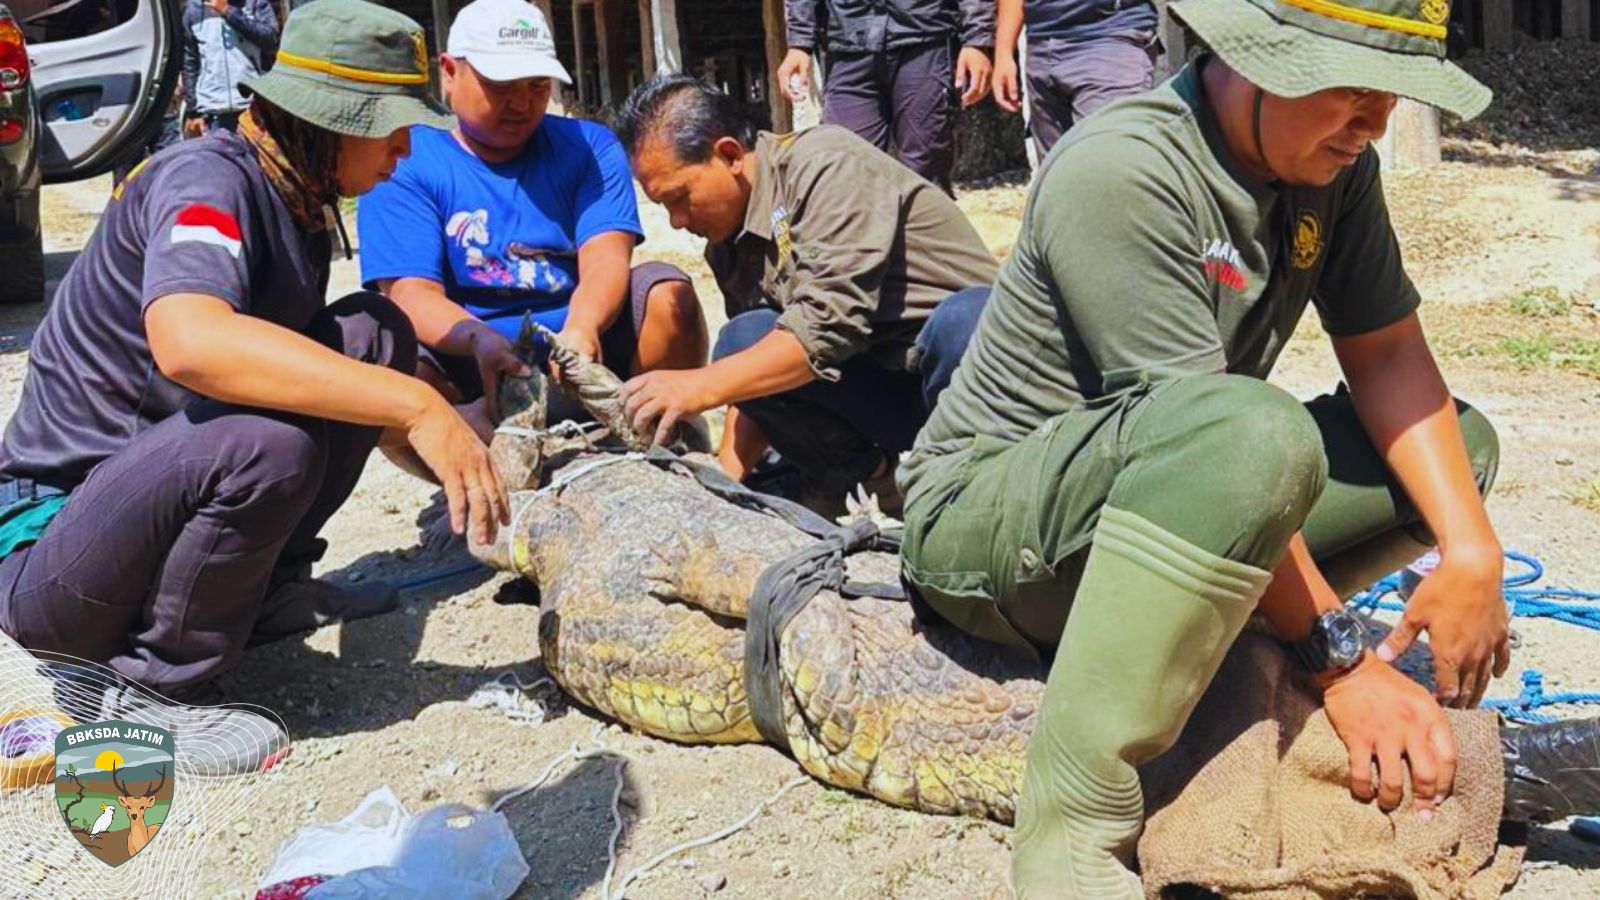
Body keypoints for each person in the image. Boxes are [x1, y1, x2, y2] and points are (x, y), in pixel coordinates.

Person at [896, 0, 1507, 893]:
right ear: (1258, 60)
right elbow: (1218, 439)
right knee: (1253, 431)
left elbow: (1385, 353)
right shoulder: (1124, 169)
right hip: (987, 527)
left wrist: (1473, 550)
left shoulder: (1333, 167)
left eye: (1394, 97)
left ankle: (1218, 614)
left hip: (1176, 477)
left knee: (1459, 450)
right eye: (1354, 91)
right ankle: (1071, 822)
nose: (1374, 124)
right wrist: (1338, 663)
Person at [0, 0, 505, 775]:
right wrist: (415, 403)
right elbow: (192, 343)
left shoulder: (295, 196)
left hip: (144, 511)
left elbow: (345, 378)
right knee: (267, 444)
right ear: (330, 119)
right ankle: (151, 694)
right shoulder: (206, 178)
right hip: (55, 559)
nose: (403, 149)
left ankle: (262, 592)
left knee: (372, 332)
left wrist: (465, 445)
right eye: (389, 125)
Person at [613, 75, 998, 514]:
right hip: (891, 394)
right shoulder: (729, 248)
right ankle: (870, 483)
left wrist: (698, 386)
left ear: (729, 155)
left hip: (968, 379)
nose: (676, 220)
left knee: (968, 320)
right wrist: (721, 489)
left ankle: (981, 491)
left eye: (679, 197)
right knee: (742, 339)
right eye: (663, 206)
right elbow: (755, 376)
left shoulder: (825, 164)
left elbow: (825, 327)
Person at [358, 0, 707, 455]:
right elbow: (412, 292)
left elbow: (605, 256)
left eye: (537, 85)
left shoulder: (589, 146)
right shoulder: (406, 158)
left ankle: (659, 434)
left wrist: (583, 326)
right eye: (500, 86)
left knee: (667, 294)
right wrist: (479, 340)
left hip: (584, 352)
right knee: (380, 348)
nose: (521, 103)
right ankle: (466, 463)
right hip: (471, 364)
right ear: (448, 73)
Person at [776, 0, 995, 190]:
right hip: (849, 41)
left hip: (923, 36)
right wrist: (799, 42)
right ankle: (864, 238)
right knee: (845, 169)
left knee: (926, 168)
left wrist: (977, 38)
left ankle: (921, 238)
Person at [991, 0, 1160, 154]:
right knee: (1055, 177)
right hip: (1041, 44)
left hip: (1109, 38)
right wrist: (1004, 52)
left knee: (1108, 166)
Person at [182, 0, 279, 135]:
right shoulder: (193, 9)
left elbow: (271, 41)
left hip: (252, 107)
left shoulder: (254, 3)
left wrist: (229, 12)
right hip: (213, 111)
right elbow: (190, 61)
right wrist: (193, 111)